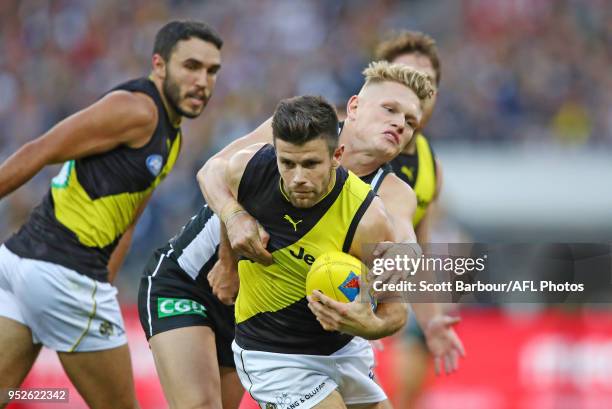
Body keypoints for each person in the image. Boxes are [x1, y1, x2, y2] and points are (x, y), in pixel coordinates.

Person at [0, 20, 222, 409]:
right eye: (191, 66)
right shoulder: (135, 109)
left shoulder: (171, 134)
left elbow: (129, 221)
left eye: (211, 71)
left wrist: (104, 284)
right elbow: (38, 151)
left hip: (20, 266)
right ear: (159, 65)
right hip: (63, 274)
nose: (202, 80)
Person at [202, 94, 405, 409]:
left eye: (311, 164)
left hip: (345, 349)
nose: (298, 178)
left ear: (337, 155)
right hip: (272, 352)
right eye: (288, 163)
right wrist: (230, 246)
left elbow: (397, 309)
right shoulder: (250, 170)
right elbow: (213, 177)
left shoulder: (368, 218)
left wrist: (371, 326)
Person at [375, 30, 448, 408]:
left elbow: (421, 249)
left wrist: (434, 321)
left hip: (374, 306)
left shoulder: (429, 165)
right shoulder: (344, 138)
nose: (419, 90)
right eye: (407, 78)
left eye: (428, 83)